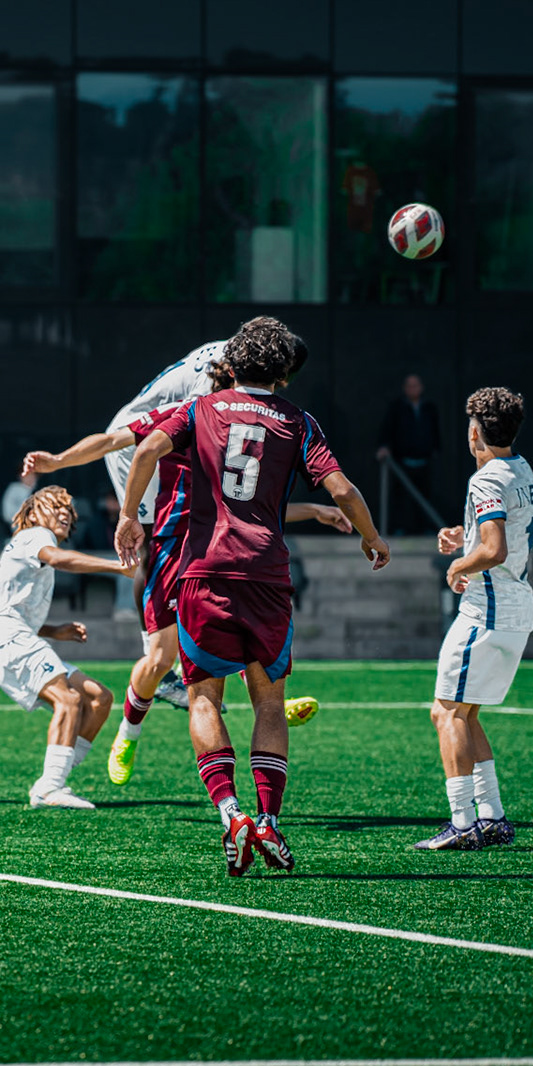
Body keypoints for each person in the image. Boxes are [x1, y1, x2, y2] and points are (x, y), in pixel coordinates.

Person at [116, 316, 390, 876]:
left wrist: (128, 519)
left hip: (204, 572)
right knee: (268, 702)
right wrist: (372, 536)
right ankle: (267, 819)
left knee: (203, 700)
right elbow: (341, 488)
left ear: (233, 364)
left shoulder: (202, 408)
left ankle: (231, 813)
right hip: (267, 576)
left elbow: (143, 452)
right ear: (285, 373)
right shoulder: (298, 420)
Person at [27, 357, 349, 788]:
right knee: (160, 658)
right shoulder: (188, 415)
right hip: (174, 551)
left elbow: (259, 508)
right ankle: (129, 732)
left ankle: (266, 706)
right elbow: (113, 441)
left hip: (224, 554)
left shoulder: (248, 433)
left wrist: (318, 511)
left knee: (237, 639)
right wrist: (58, 462)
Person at [414, 388, 533, 853]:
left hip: (487, 610)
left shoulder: (484, 478)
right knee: (466, 713)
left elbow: (495, 549)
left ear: (473, 432)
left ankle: (463, 822)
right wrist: (462, 538)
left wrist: (459, 565)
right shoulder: (521, 469)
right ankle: (493, 818)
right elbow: (503, 530)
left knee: (445, 711)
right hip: (516, 609)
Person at [0, 485, 132, 809]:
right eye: (54, 505)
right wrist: (117, 566)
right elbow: (59, 559)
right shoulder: (35, 536)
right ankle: (50, 787)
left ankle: (53, 777)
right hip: (7, 637)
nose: (63, 511)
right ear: (32, 513)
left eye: (68, 508)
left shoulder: (26, 543)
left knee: (99, 697)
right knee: (69, 699)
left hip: (11, 635)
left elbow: (9, 606)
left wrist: (52, 630)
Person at [93, 339, 234, 701]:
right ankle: (155, 657)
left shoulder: (229, 356)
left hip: (152, 434)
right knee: (155, 536)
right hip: (134, 440)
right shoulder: (211, 384)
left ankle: (169, 652)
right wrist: (59, 462)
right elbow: (125, 441)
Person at [376, 373, 442, 535]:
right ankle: (400, 528)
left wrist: (435, 449)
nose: (413, 389)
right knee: (401, 497)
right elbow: (388, 429)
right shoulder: (397, 407)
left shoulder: (429, 407)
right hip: (402, 461)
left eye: (416, 385)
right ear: (405, 388)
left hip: (424, 460)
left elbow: (435, 431)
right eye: (409, 386)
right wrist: (384, 447)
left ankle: (426, 528)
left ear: (421, 387)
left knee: (424, 496)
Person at [0, 463, 36, 528]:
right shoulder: (14, 489)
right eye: (27, 475)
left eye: (33, 475)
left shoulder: (41, 490)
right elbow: (7, 515)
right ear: (20, 476)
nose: (30, 477)